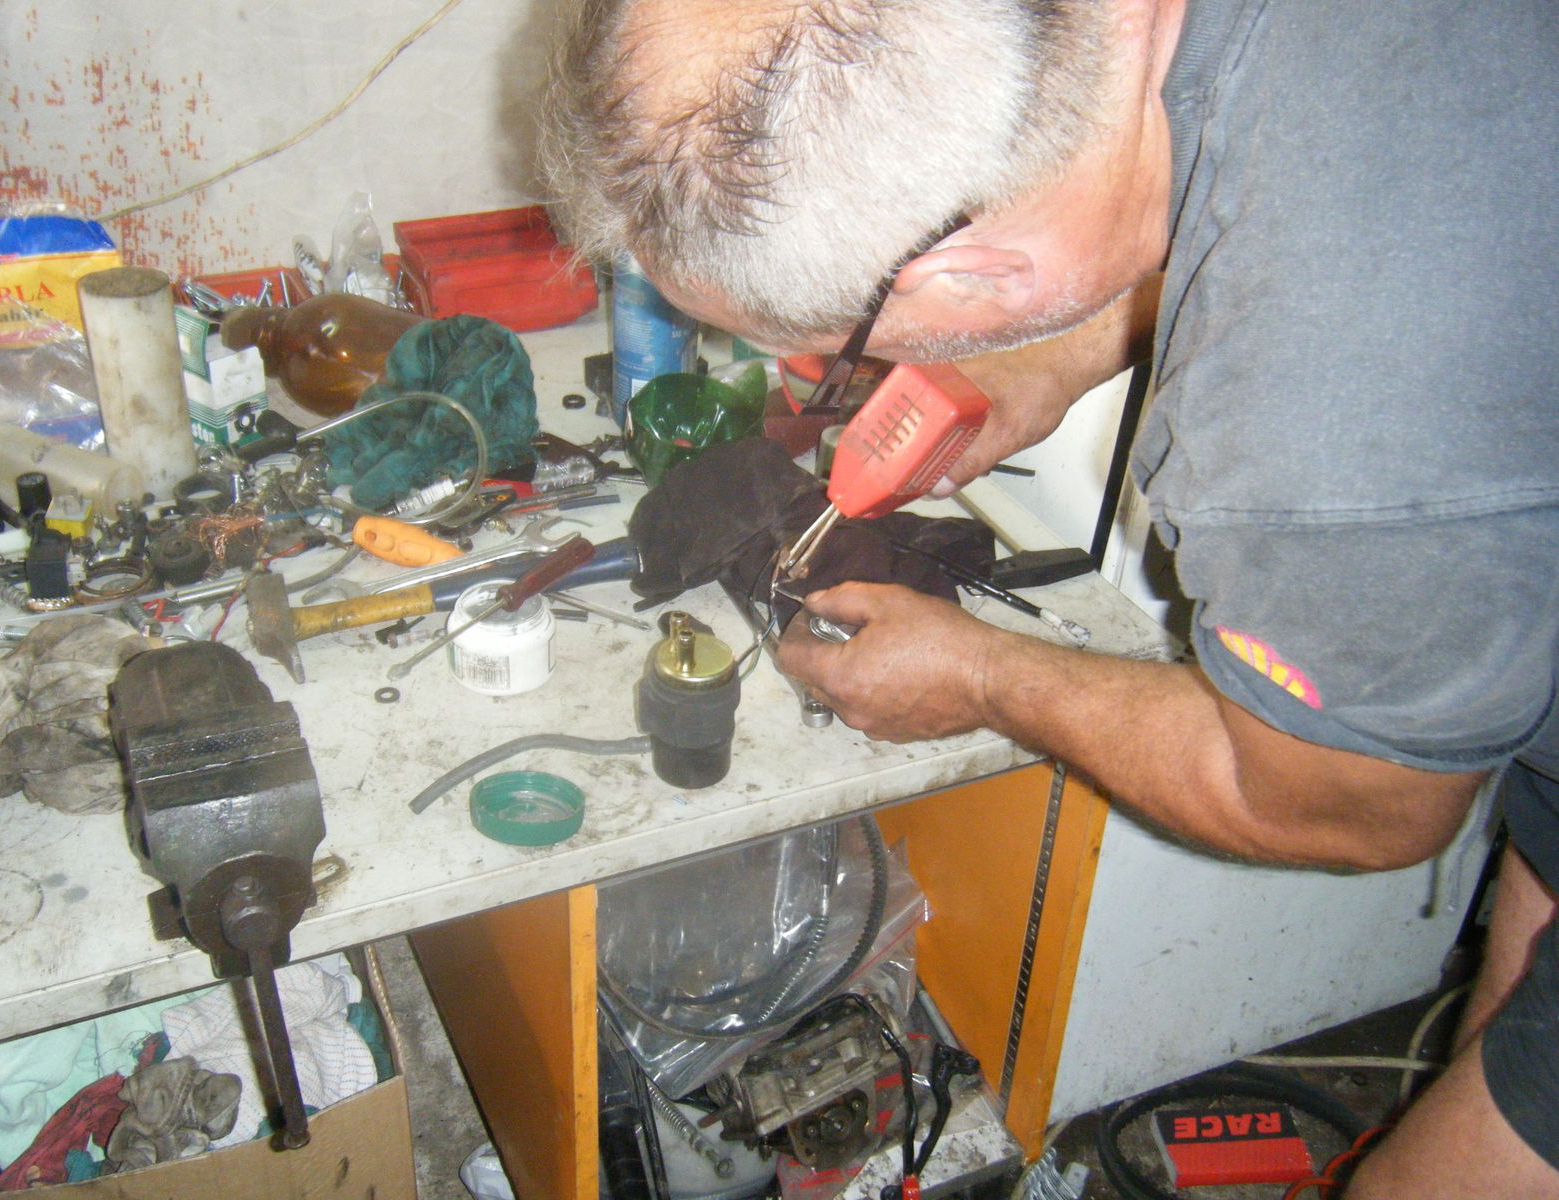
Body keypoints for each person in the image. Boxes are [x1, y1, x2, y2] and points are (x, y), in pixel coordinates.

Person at [540, 0, 1559, 1194]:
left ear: (974, 272)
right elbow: (1243, 187)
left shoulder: (1323, 443)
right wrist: (1044, 354)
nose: (839, 376)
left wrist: (980, 676)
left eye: (839, 347)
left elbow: (1356, 804)